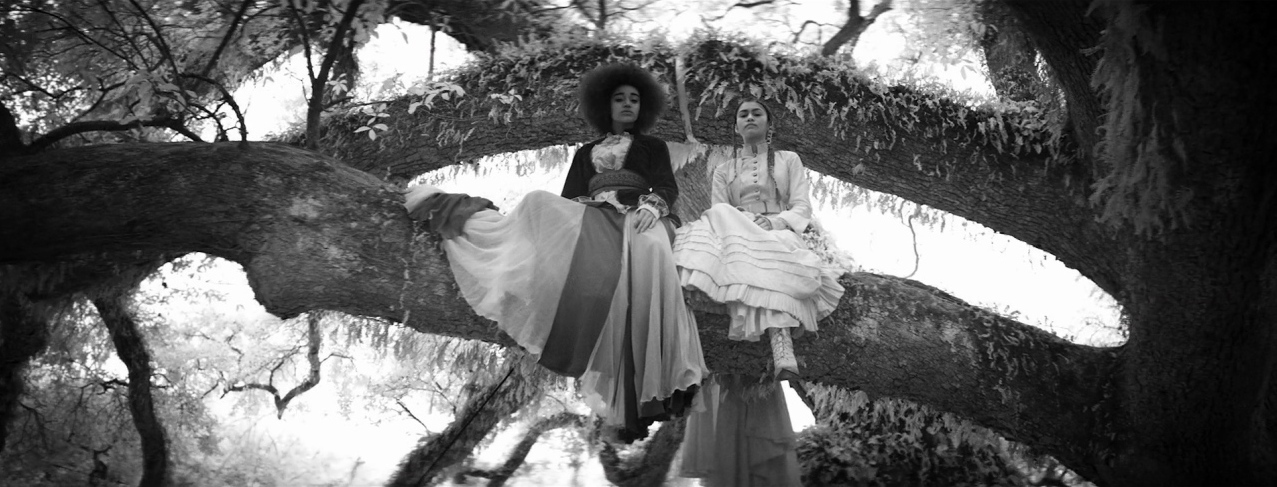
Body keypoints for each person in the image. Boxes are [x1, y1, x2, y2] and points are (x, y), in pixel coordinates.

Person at [403, 63, 707, 443]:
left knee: (649, 247)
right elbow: (569, 198)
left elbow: (665, 185)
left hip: (640, 218)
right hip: (593, 217)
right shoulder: (586, 152)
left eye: (634, 99)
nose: (628, 104)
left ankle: (651, 364)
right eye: (619, 98)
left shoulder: (653, 146)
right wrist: (583, 209)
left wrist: (652, 207)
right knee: (536, 201)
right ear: (605, 105)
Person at [674, 97, 844, 379]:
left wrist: (775, 221)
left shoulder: (788, 160)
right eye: (743, 115)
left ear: (769, 123)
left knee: (782, 247)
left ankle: (782, 345)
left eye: (756, 113)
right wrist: (744, 221)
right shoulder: (723, 170)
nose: (750, 118)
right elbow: (718, 211)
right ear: (737, 126)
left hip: (779, 229)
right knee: (716, 221)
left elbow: (801, 207)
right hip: (738, 228)